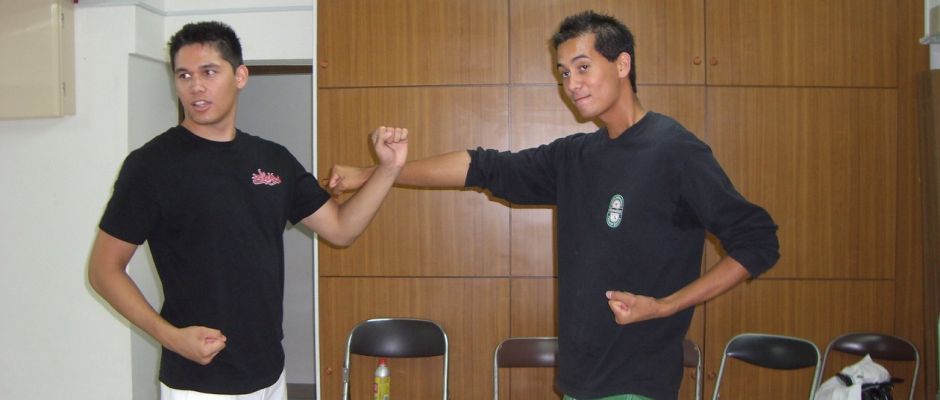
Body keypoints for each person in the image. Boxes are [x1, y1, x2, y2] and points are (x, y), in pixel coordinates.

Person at [327, 10, 779, 400]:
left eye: (583, 67)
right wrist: (373, 174)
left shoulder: (674, 151)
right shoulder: (576, 157)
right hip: (578, 381)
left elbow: (758, 241)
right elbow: (481, 167)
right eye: (563, 73)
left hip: (637, 384)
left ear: (622, 63)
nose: (571, 85)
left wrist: (665, 306)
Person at [88, 21, 408, 399]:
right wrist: (170, 337)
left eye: (209, 72)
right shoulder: (152, 166)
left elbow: (341, 229)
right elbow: (104, 270)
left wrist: (388, 169)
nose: (196, 86)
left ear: (240, 76)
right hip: (199, 381)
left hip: (269, 374)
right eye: (184, 75)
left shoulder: (273, 159)